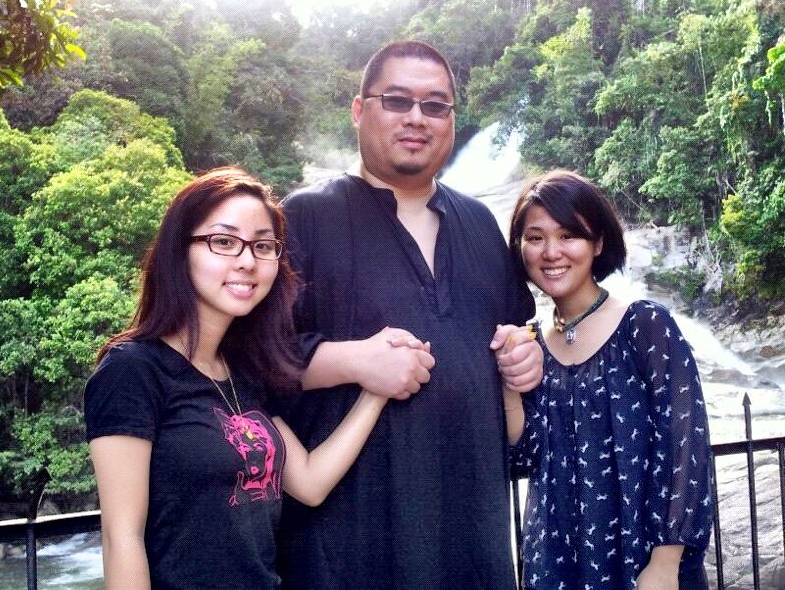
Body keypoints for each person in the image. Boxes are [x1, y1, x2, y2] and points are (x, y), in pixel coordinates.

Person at [276, 40, 543, 589]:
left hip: (477, 542)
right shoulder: (305, 217)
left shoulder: (479, 224)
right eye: (396, 101)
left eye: (435, 105)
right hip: (349, 549)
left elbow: (515, 336)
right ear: (359, 110)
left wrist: (526, 357)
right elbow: (251, 362)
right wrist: (354, 361)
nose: (417, 118)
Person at [84, 167, 402, 589]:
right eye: (224, 241)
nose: (248, 260)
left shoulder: (241, 373)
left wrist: (375, 394)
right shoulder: (132, 370)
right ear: (180, 252)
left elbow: (308, 482)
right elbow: (120, 537)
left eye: (263, 245)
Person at [508, 170, 713, 589]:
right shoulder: (531, 344)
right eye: (535, 238)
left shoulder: (645, 323)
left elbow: (685, 442)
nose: (551, 252)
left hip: (644, 562)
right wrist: (509, 381)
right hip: (558, 564)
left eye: (569, 235)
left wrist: (665, 562)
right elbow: (525, 458)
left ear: (598, 243)